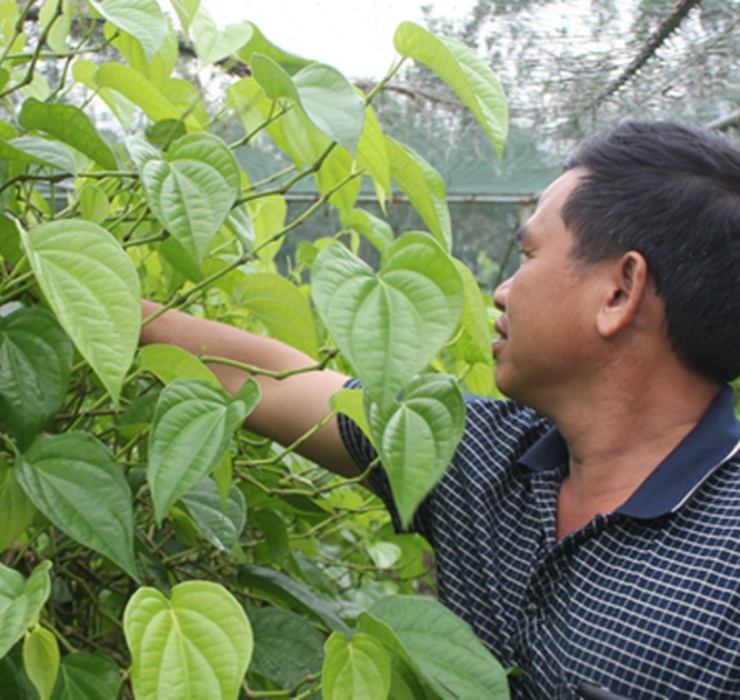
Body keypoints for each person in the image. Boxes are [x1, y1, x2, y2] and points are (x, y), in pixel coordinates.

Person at [141, 120, 740, 699]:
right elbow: (267, 382)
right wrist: (100, 305)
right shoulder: (480, 457)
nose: (501, 290)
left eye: (528, 257)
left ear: (618, 291)